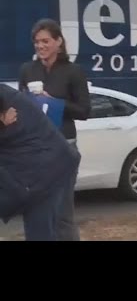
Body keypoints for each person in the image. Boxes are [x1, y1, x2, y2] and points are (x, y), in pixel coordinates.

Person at [18, 18, 90, 241]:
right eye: (37, 42)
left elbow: (84, 111)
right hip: (35, 150)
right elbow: (20, 107)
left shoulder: (73, 71)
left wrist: (54, 102)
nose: (40, 46)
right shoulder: (27, 70)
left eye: (45, 41)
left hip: (63, 148)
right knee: (36, 212)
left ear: (58, 42)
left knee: (62, 214)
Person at [0, 84, 81, 241]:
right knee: (55, 226)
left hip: (44, 169)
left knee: (49, 228)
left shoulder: (8, 101)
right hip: (46, 164)